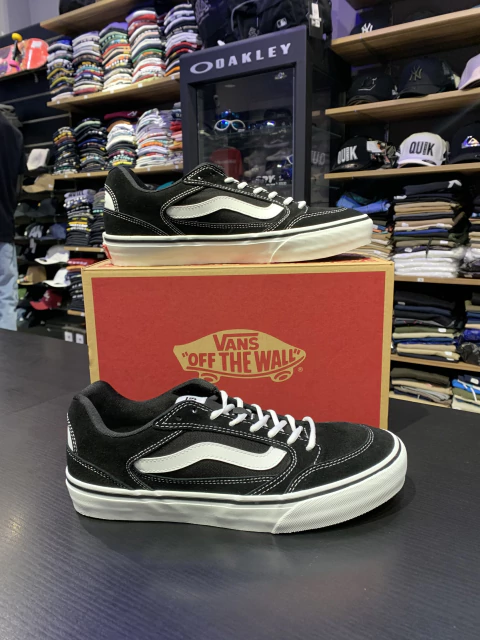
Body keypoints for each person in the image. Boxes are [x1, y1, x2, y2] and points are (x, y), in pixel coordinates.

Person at [0, 111, 25, 331]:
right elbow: (18, 181)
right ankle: (6, 349)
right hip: (3, 224)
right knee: (5, 296)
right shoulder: (13, 134)